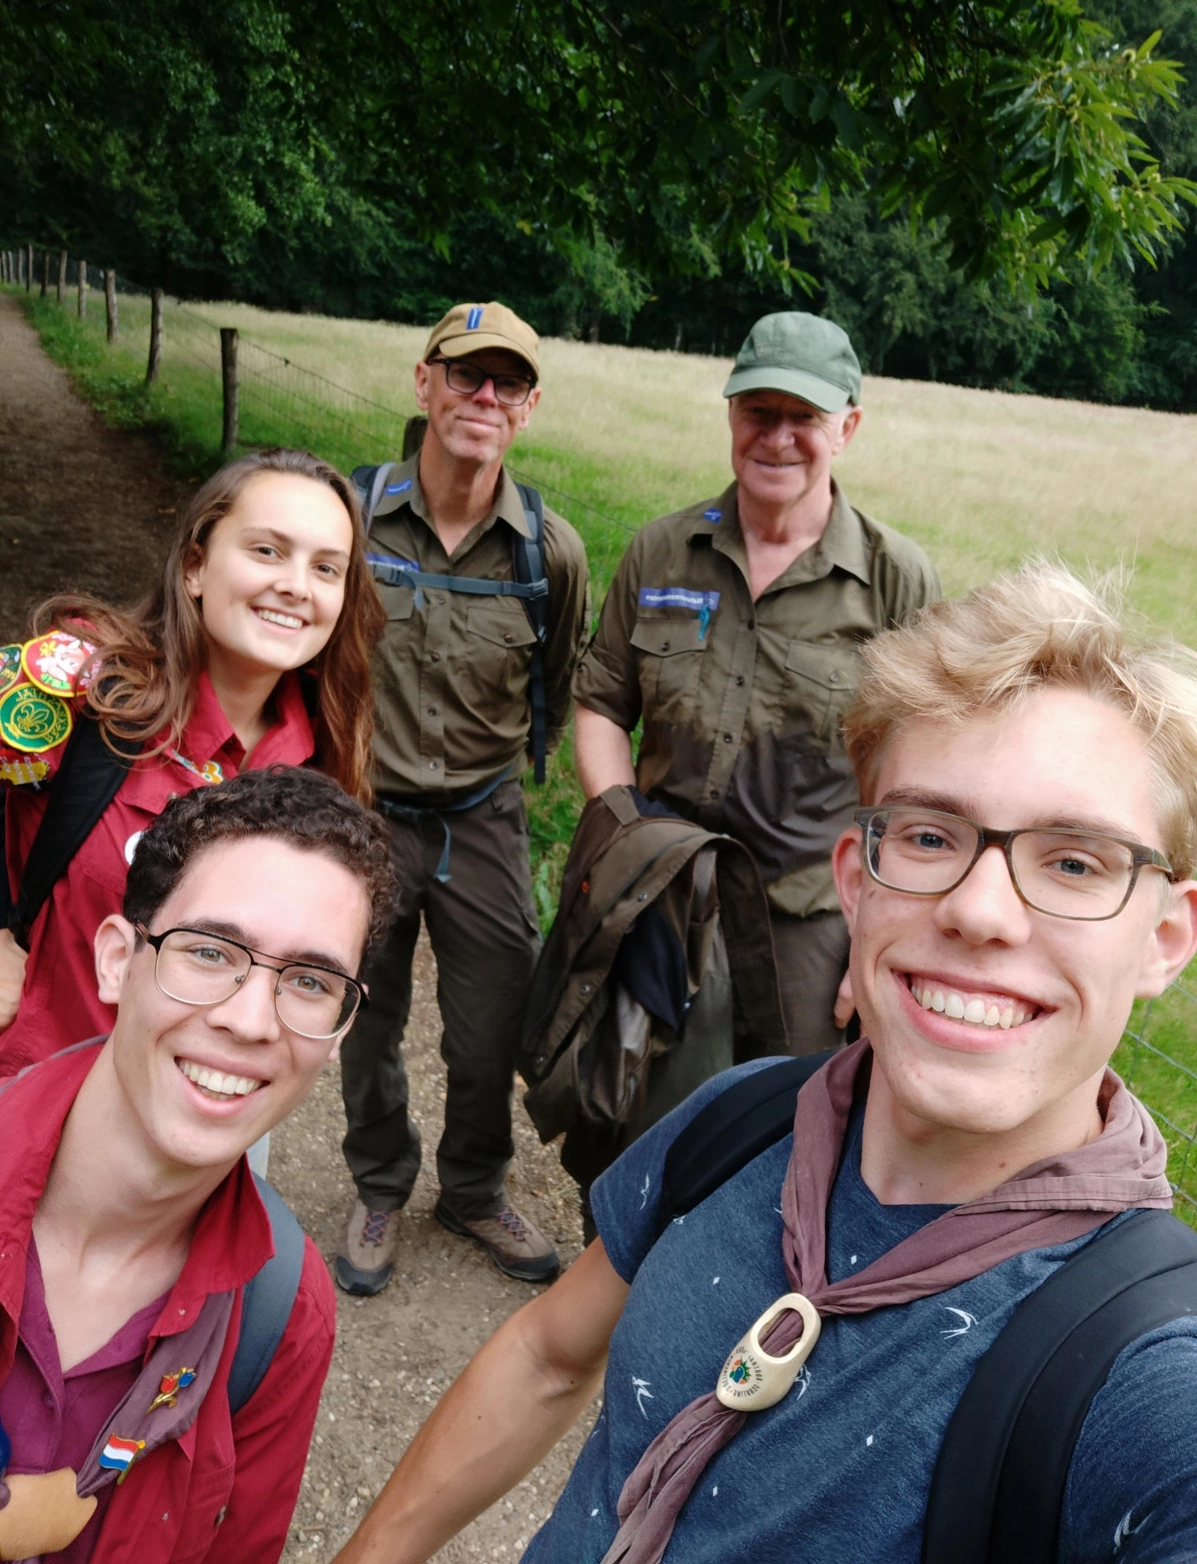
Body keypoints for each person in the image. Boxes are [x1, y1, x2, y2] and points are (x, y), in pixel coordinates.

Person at [329, 564, 1197, 1564]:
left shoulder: (1145, 1382)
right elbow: (545, 1355)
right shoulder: (745, 1118)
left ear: (1168, 938)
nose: (979, 910)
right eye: (926, 834)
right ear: (856, 882)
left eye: (1075, 861)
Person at [0, 765, 397, 1564]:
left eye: (310, 981)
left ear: (342, 1027)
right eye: (210, 951)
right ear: (116, 960)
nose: (251, 1021)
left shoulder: (282, 1307)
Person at [573, 310, 940, 1055]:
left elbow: (928, 773)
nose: (776, 438)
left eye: (802, 417)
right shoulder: (662, 551)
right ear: (732, 416)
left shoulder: (892, 580)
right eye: (757, 413)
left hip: (805, 926)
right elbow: (601, 704)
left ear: (847, 427)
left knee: (784, 1129)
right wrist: (625, 844)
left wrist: (881, 933)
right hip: (658, 902)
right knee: (628, 1114)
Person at [336, 301, 590, 1293]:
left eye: (507, 383)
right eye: (466, 374)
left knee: (494, 1028)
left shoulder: (547, 552)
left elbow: (556, 688)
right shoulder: (351, 516)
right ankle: (379, 1184)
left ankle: (475, 1188)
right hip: (365, 810)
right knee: (366, 1010)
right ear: (425, 381)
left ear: (527, 408)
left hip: (483, 816)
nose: (484, 396)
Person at [0, 447, 385, 1079]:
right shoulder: (77, 688)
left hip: (205, 1108)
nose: (295, 584)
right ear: (194, 566)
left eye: (326, 568)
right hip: (29, 1095)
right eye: (266, 550)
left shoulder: (323, 765)